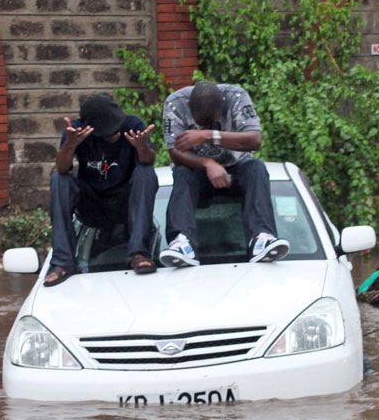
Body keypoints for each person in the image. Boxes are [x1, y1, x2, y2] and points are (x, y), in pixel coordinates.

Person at [160, 81, 289, 268]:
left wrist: (208, 135)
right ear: (189, 107)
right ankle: (182, 243)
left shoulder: (236, 97)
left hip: (236, 167)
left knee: (256, 168)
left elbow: (255, 139)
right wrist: (207, 163)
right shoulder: (175, 103)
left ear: (222, 107)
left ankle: (261, 238)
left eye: (212, 122)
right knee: (181, 174)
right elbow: (174, 152)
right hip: (196, 171)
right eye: (201, 124)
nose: (207, 125)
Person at [43, 93, 158, 287]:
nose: (114, 137)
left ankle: (138, 253)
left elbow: (148, 161)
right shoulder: (76, 131)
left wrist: (142, 148)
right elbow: (63, 168)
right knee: (59, 179)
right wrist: (70, 145)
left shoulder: (133, 125)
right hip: (92, 205)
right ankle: (62, 263)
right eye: (108, 134)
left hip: (125, 203)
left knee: (146, 173)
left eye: (116, 132)